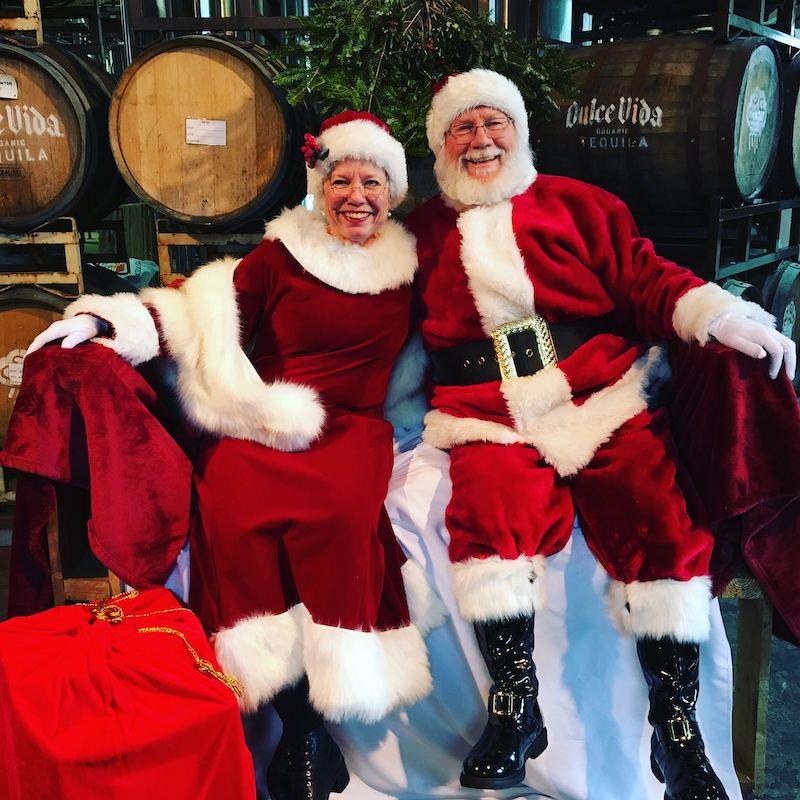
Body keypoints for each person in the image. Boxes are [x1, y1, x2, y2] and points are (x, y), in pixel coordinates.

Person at [27, 110, 444, 800]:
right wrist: (108, 319)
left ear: (393, 192)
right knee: (231, 501)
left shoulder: (411, 267)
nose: (356, 196)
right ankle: (299, 725)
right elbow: (202, 312)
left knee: (340, 518)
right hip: (267, 422)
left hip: (352, 431)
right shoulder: (282, 256)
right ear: (321, 187)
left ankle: (316, 722)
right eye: (341, 181)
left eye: (372, 182)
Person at [405, 69, 796, 798]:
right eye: (462, 127)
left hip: (601, 392)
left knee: (660, 516)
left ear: (519, 131)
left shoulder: (580, 205)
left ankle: (676, 731)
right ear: (440, 144)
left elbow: (647, 278)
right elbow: (358, 309)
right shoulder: (418, 234)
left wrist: (715, 315)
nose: (480, 139)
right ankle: (516, 708)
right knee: (487, 514)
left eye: (494, 122)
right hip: (486, 412)